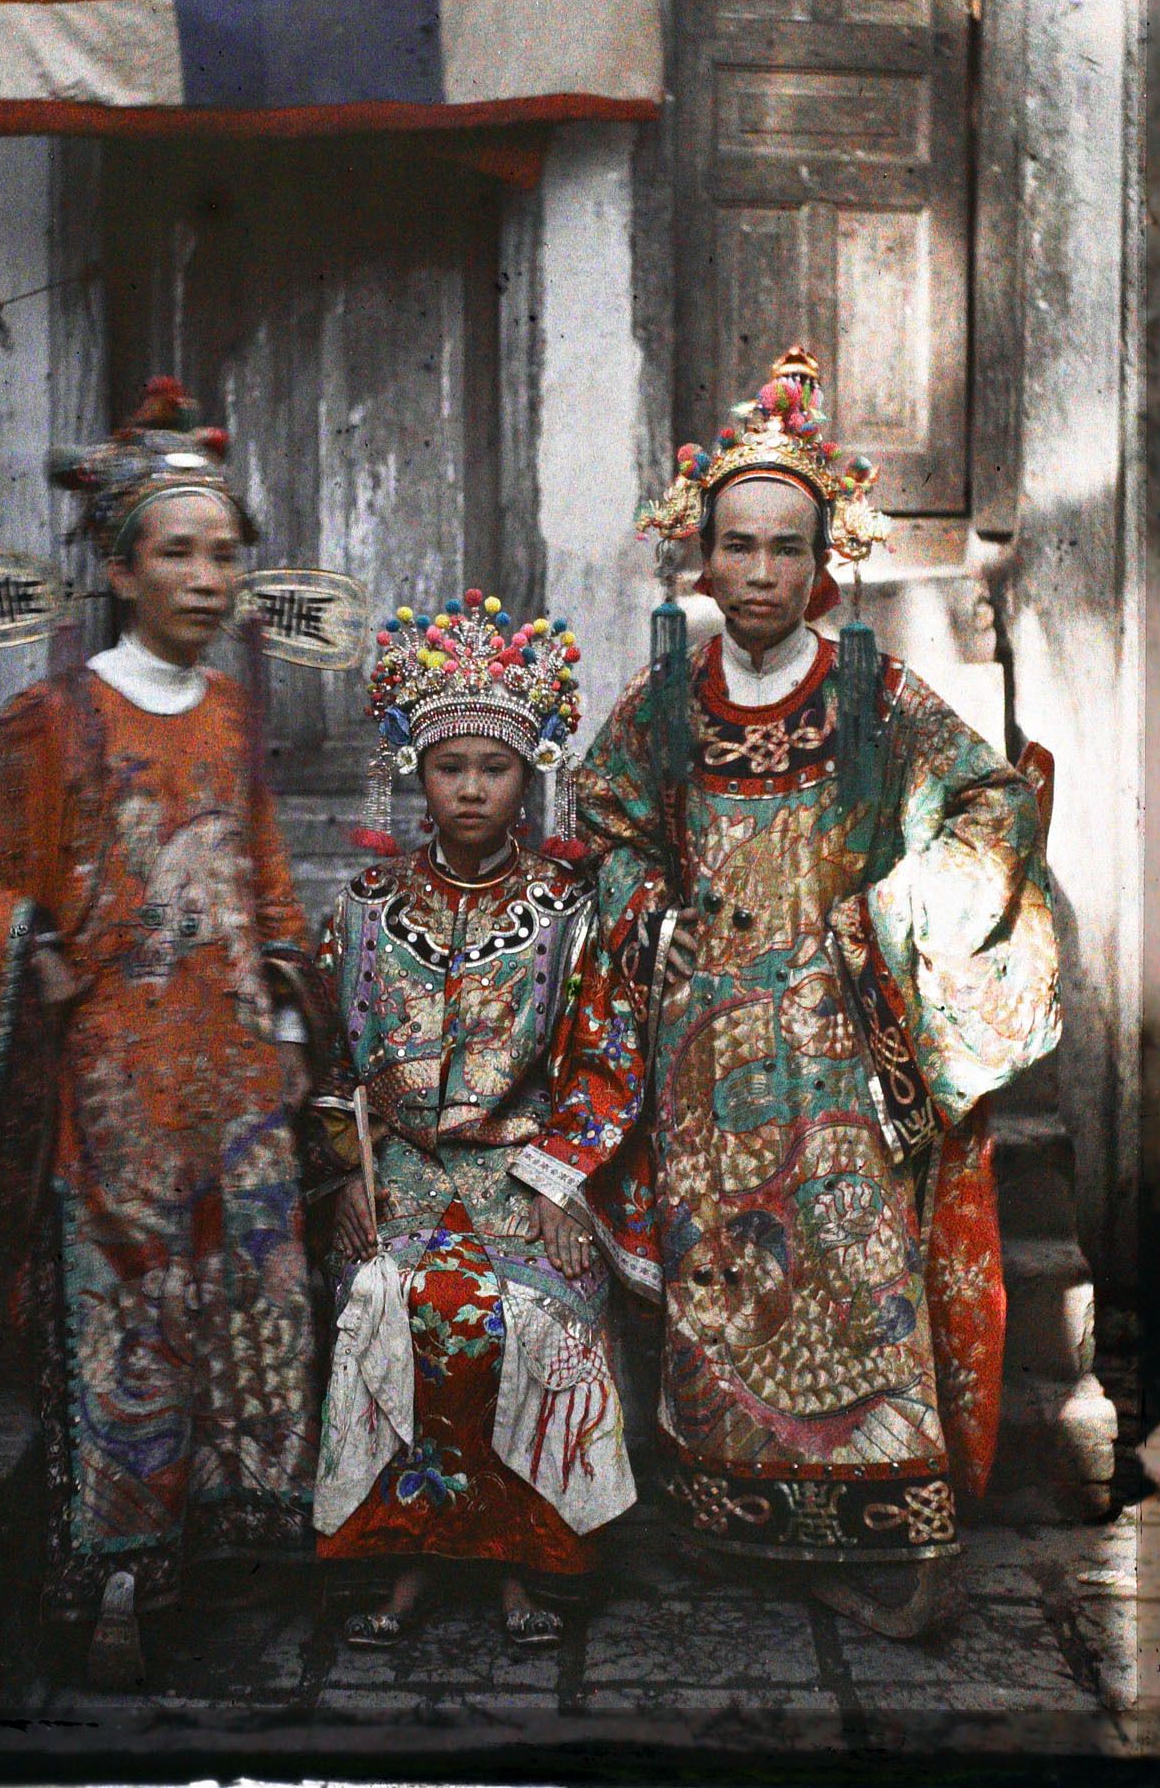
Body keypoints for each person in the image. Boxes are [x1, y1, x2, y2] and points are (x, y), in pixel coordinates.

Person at [575, 348, 1061, 1639]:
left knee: (856, 1273)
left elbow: (987, 804)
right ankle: (727, 1524)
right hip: (701, 1056)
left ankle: (899, 1543)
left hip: (838, 1049)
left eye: (784, 550)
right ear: (701, 555)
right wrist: (648, 915)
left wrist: (893, 921)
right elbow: (604, 824)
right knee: (715, 1288)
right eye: (736, 546)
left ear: (821, 563)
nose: (757, 575)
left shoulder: (870, 699)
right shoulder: (663, 707)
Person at [0, 378, 326, 1687]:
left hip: (236, 1076)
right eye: (176, 553)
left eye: (224, 553)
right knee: (125, 1318)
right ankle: (119, 1578)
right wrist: (29, 939)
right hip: (116, 1084)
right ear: (122, 570)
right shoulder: (58, 719)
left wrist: (291, 1010)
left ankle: (229, 1563)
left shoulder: (238, 714)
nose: (206, 577)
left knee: (248, 1308)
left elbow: (262, 880)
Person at [305, 590, 658, 1647]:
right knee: (387, 1294)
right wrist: (347, 1182)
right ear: (417, 770)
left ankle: (520, 1560)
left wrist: (560, 1182)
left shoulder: (569, 911)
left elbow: (605, 1061)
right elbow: (331, 1065)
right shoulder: (363, 908)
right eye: (449, 764)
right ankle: (405, 1556)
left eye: (493, 767)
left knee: (532, 1311)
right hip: (401, 1171)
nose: (470, 787)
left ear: (527, 774)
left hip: (522, 1174)